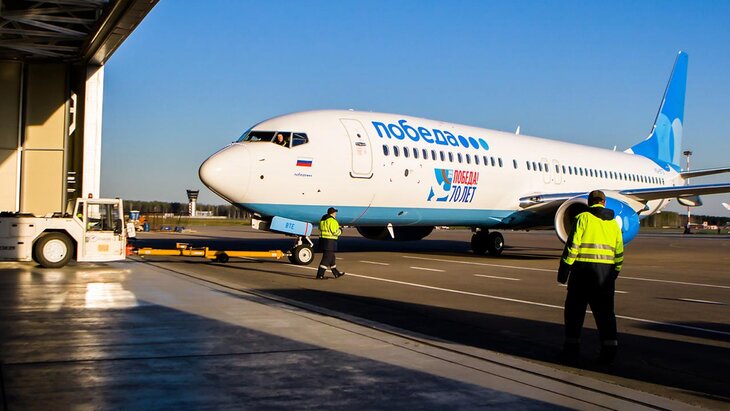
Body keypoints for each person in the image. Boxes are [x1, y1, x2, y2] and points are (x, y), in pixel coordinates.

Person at [557, 190, 624, 364]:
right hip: (605, 275)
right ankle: (609, 352)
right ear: (604, 202)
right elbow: (619, 254)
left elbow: (572, 248)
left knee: (574, 313)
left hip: (582, 273)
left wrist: (564, 271)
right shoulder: (614, 224)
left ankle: (571, 350)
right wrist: (614, 273)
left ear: (589, 202)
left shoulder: (582, 219)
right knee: (606, 315)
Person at [316, 207, 345, 280]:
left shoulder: (323, 220)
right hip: (330, 241)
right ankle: (320, 275)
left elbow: (319, 228)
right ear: (333, 213)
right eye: (335, 212)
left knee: (332, 257)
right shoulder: (332, 221)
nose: (335, 214)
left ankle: (336, 273)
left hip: (323, 240)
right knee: (327, 258)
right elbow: (335, 232)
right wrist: (340, 230)